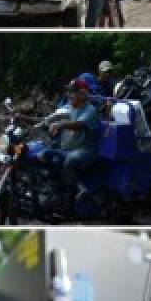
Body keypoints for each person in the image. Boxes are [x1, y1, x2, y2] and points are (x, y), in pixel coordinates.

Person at [49, 78, 102, 209]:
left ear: (83, 94)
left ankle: (70, 197)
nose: (69, 94)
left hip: (86, 149)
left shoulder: (90, 110)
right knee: (46, 156)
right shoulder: (66, 108)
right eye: (68, 91)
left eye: (73, 91)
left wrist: (60, 124)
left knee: (70, 161)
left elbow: (77, 125)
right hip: (67, 148)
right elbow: (47, 119)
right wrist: (23, 118)